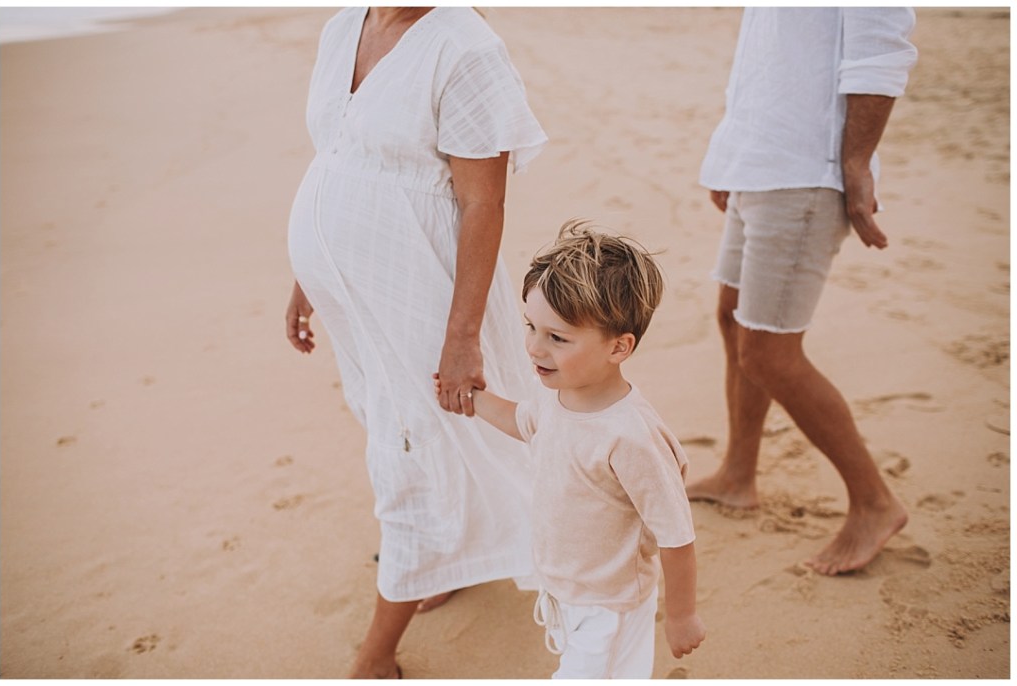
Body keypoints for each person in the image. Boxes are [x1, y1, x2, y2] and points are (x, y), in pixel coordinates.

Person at [285, 7, 548, 678]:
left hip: (424, 295)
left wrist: (462, 337)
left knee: (411, 453)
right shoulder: (346, 24)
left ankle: (376, 654)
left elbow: (483, 202)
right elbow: (338, 154)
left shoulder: (464, 48)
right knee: (398, 429)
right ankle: (451, 557)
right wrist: (310, 273)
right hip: (358, 299)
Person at [693, 8, 919, 575]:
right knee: (731, 317)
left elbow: (881, 48)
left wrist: (857, 163)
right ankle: (738, 476)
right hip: (761, 161)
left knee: (769, 353)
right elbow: (765, 58)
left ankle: (875, 503)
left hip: (806, 171)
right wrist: (731, 154)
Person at [436, 221, 705, 678]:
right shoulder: (556, 395)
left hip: (609, 605)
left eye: (557, 338)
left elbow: (676, 534)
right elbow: (525, 422)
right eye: (531, 327)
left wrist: (681, 616)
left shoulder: (631, 437)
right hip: (566, 587)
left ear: (619, 347)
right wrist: (472, 399)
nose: (534, 348)